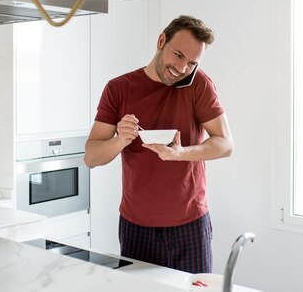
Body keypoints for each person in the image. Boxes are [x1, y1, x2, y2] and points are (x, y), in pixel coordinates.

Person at [85, 15, 233, 274]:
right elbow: (91, 157)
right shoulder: (119, 88)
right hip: (136, 227)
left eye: (191, 63)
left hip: (190, 224)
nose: (182, 68)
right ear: (161, 41)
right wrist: (120, 139)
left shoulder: (198, 84)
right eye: (178, 55)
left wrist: (181, 153)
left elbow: (225, 144)